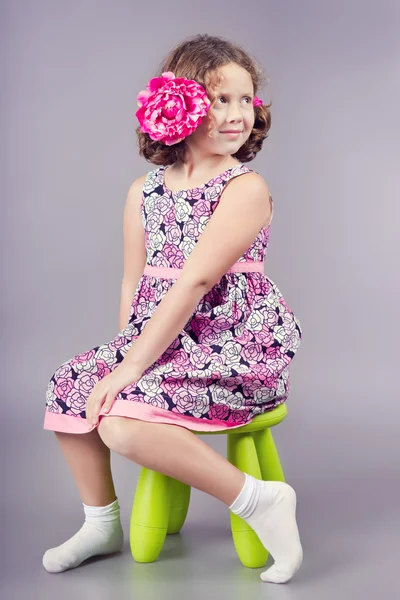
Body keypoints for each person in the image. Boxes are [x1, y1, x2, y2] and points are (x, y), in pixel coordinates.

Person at [42, 34, 303, 584]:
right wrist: (126, 353)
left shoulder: (244, 187)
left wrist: (134, 369)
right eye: (219, 100)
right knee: (69, 385)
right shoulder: (145, 190)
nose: (237, 115)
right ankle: (101, 520)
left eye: (245, 100)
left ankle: (260, 500)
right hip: (164, 338)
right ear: (178, 106)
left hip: (232, 343)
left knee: (122, 424)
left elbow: (195, 282)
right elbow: (134, 280)